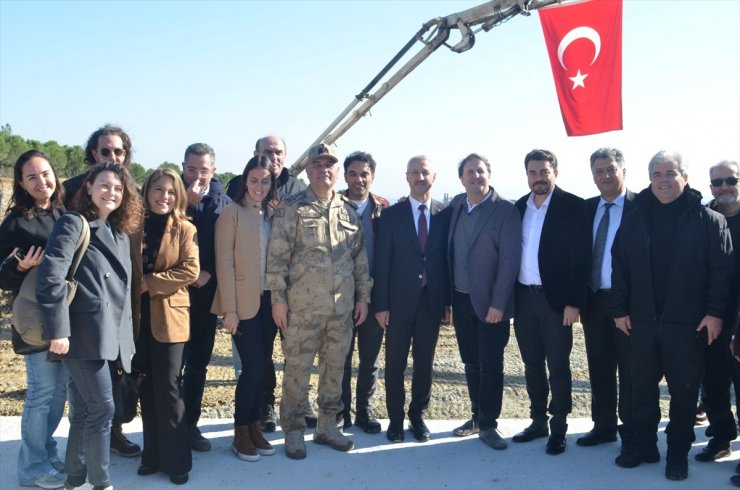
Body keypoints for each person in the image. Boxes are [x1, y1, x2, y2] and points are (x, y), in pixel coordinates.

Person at [611, 150, 733, 481]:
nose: (663, 180)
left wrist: (715, 314)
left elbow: (721, 273)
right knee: (641, 390)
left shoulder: (710, 221)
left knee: (683, 393)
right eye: (657, 174)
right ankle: (643, 446)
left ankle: (677, 454)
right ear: (649, 179)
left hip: (688, 325)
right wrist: (619, 310)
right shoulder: (635, 217)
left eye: (670, 173)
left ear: (685, 176)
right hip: (642, 322)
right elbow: (619, 265)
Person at [37, 162, 144, 490]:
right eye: (105, 185)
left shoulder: (120, 233)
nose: (112, 192)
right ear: (88, 187)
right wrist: (58, 329)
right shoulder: (74, 223)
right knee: (103, 409)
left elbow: (123, 293)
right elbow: (51, 275)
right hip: (81, 335)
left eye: (118, 187)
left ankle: (75, 480)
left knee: (85, 411)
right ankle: (101, 484)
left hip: (109, 336)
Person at [266, 143, 371, 459]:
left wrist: (363, 297)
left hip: (340, 311)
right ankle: (294, 429)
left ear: (337, 171)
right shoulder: (291, 208)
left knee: (335, 370)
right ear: (308, 170)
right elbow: (277, 259)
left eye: (330, 164)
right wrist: (278, 300)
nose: (324, 169)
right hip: (302, 310)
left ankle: (328, 425)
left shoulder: (348, 212)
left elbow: (359, 260)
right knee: (296, 370)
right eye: (317, 165)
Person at [62, 124, 141, 458]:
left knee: (117, 379)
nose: (112, 156)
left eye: (118, 151)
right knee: (80, 397)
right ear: (93, 153)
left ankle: (108, 440)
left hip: (122, 301)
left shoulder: (129, 193)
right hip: (82, 314)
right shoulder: (71, 191)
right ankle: (82, 463)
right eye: (105, 150)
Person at [226, 135, 309, 432]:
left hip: (288, 290)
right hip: (252, 294)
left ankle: (298, 404)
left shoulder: (297, 188)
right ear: (255, 155)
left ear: (285, 156)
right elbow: (228, 254)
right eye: (267, 152)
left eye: (278, 152)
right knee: (257, 360)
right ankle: (262, 409)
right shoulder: (237, 190)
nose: (273, 157)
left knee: (295, 351)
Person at [513, 149, 589, 455]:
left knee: (558, 365)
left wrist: (574, 302)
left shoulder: (574, 207)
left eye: (544, 172)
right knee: (532, 364)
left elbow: (582, 259)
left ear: (554, 172)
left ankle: (558, 427)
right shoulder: (519, 207)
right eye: (533, 173)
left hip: (556, 303)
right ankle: (537, 421)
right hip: (523, 299)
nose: (539, 178)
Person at [0, 150, 68, 489]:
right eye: (32, 177)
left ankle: (45, 449)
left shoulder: (63, 212)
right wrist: (20, 266)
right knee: (42, 393)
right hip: (36, 319)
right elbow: (2, 277)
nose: (42, 181)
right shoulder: (16, 221)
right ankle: (31, 468)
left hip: (66, 319)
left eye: (45, 173)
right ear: (22, 184)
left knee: (59, 395)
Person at [373, 156, 451, 444]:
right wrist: (380, 305)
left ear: (434, 176)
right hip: (397, 304)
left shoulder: (445, 214)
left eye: (425, 172)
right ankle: (394, 421)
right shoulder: (392, 215)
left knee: (424, 365)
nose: (420, 176)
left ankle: (417, 417)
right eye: (415, 172)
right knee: (394, 365)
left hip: (431, 303)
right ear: (407, 177)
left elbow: (447, 261)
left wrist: (447, 302)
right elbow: (382, 263)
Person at [130, 169, 199, 485]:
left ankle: (177, 461)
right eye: (158, 190)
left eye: (171, 192)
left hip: (170, 317)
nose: (164, 197)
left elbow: (190, 270)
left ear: (179, 196)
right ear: (147, 192)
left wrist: (149, 283)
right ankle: (152, 456)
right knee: (147, 386)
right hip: (136, 319)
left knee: (169, 388)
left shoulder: (185, 228)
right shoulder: (132, 228)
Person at [447, 153, 521, 450]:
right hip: (461, 300)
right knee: (470, 362)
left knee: (491, 365)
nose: (475, 176)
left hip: (492, 304)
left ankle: (489, 425)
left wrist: (499, 304)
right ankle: (476, 416)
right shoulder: (455, 207)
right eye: (469, 172)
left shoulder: (505, 211)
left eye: (480, 171)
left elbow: (510, 261)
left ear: (489, 174)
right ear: (461, 178)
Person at [213, 155, 278, 462]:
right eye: (254, 180)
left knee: (262, 367)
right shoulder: (231, 212)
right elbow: (223, 263)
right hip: (241, 304)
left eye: (265, 181)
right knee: (251, 368)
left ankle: (254, 428)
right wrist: (230, 309)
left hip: (268, 302)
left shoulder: (271, 213)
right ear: (244, 180)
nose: (259, 186)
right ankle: (240, 433)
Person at [578, 148, 635, 451]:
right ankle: (603, 426)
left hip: (628, 305)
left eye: (611, 169)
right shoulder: (586, 209)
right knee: (598, 365)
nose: (605, 176)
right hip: (594, 302)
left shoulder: (642, 207)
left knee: (630, 370)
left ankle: (631, 432)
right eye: (599, 171)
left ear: (624, 170)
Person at [180, 142, 231, 452]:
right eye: (191, 169)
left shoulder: (224, 204)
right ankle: (168, 426)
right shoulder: (169, 196)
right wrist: (184, 204)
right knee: (170, 368)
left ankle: (190, 426)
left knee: (198, 366)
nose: (197, 175)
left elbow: (227, 247)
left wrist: (209, 271)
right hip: (171, 299)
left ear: (214, 170)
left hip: (205, 298)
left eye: (204, 169)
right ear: (183, 168)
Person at [338, 151, 389, 433]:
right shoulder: (332, 206)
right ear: (345, 176)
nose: (359, 179)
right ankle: (341, 411)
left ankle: (364, 411)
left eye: (364, 174)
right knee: (340, 358)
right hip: (340, 297)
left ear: (372, 176)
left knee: (370, 359)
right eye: (353, 173)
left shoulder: (383, 208)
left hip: (373, 296)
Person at [698, 162, 740, 472]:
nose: (724, 186)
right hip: (711, 316)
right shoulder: (704, 218)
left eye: (730, 180)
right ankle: (723, 437)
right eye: (717, 182)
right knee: (713, 384)